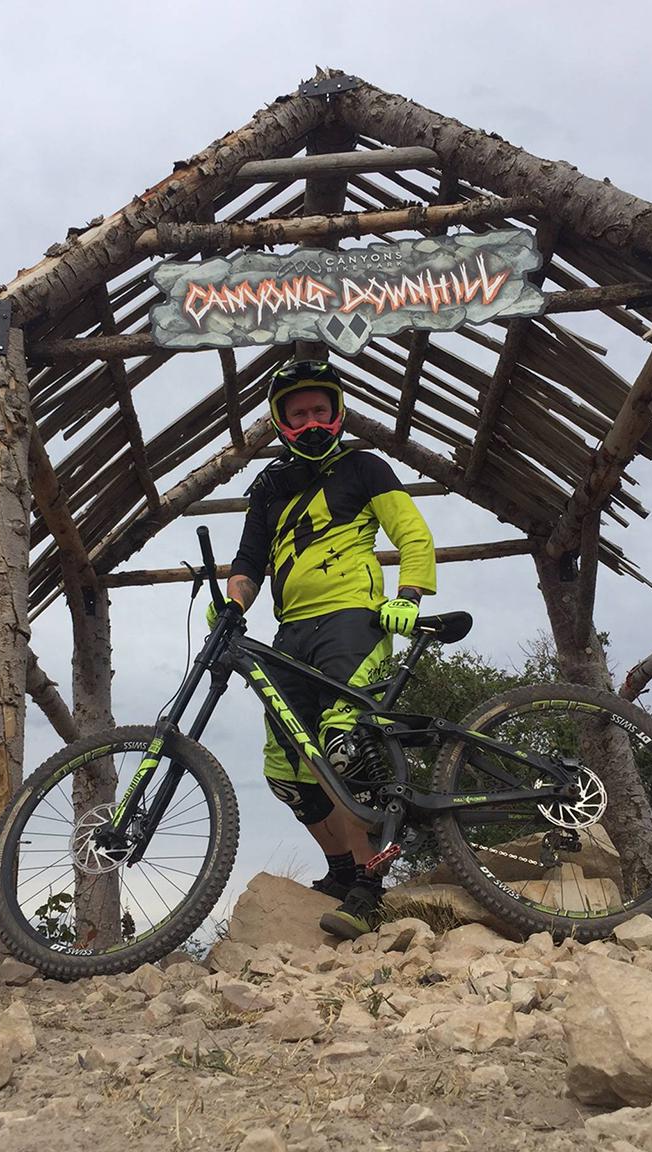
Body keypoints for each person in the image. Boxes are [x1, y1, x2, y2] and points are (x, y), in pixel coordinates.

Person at [207, 359, 436, 938]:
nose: (311, 421)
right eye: (298, 413)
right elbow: (249, 564)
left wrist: (408, 594)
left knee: (342, 748)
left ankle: (369, 883)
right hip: (290, 635)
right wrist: (233, 604)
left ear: (335, 414)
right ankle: (339, 870)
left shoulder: (363, 466)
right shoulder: (268, 487)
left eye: (319, 410)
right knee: (287, 769)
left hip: (352, 620)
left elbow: (412, 532)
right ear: (281, 422)